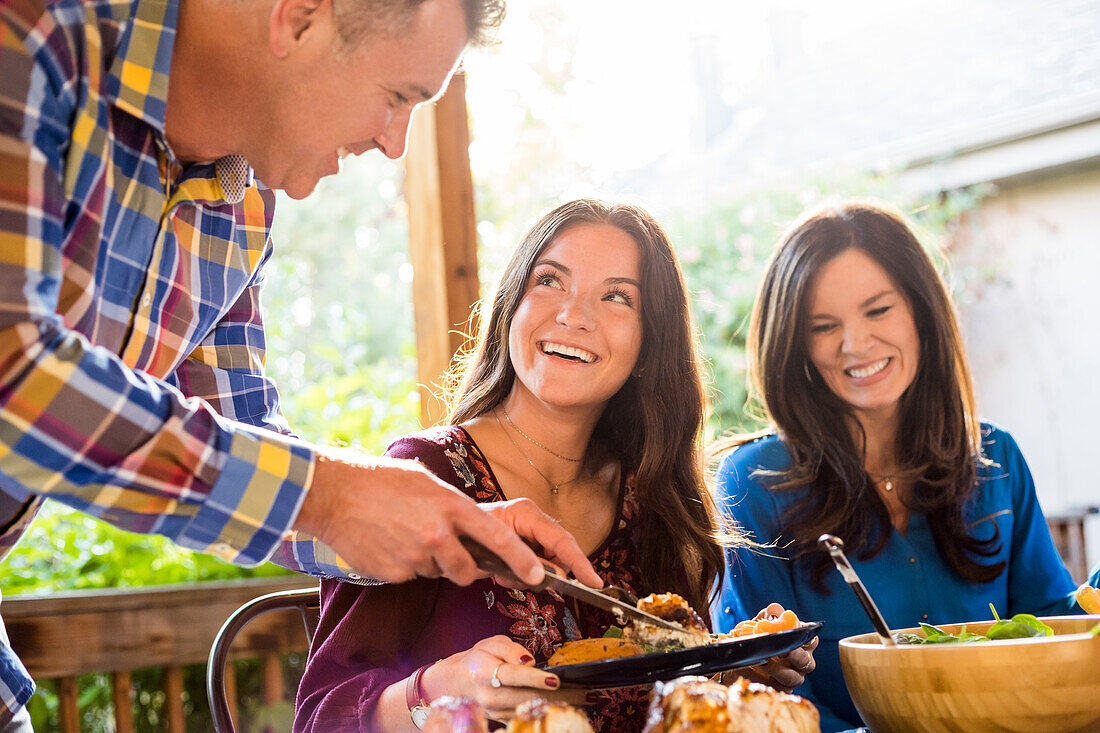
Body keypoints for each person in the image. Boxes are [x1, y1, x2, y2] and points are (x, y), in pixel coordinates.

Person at [0, 0, 602, 728]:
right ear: (298, 16)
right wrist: (335, 494)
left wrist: (445, 526)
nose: (395, 143)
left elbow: (252, 448)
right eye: (399, 97)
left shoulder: (241, 204)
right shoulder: (34, 38)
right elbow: (15, 380)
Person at [293, 199, 818, 732]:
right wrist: (439, 691)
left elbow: (672, 696)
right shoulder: (426, 476)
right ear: (510, 306)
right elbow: (322, 716)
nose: (573, 315)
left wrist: (735, 672)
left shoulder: (653, 492)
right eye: (550, 281)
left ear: (650, 343)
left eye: (616, 297)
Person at [709, 200, 1100, 732]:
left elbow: (1059, 634)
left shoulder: (996, 460)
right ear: (796, 344)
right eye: (824, 326)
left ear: (920, 311)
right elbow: (758, 696)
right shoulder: (751, 485)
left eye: (877, 310)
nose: (855, 344)